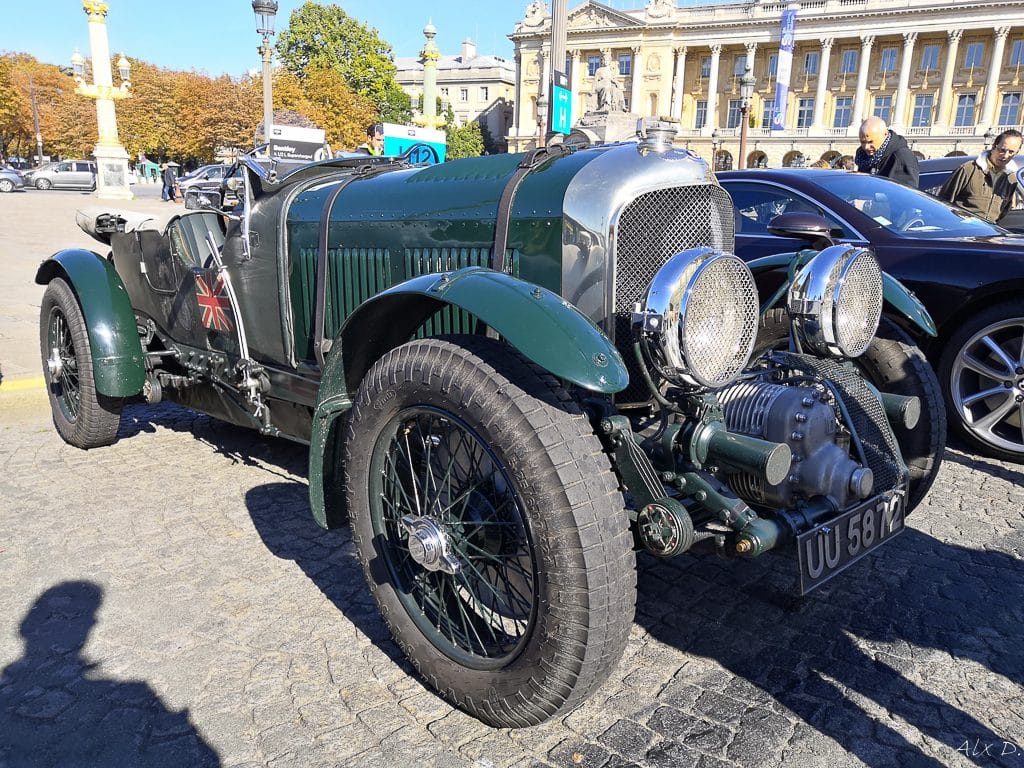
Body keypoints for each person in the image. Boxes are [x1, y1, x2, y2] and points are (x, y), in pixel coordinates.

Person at [938, 129, 1023, 224]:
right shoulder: (969, 169)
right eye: (1002, 150)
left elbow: (1003, 211)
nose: (1005, 156)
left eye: (1011, 152)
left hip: (989, 232)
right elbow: (943, 202)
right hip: (961, 230)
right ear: (994, 146)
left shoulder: (1011, 179)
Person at [854, 116, 919, 187]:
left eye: (870, 142)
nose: (866, 147)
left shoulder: (902, 157)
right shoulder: (863, 157)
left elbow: (906, 194)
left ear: (885, 134)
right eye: (863, 142)